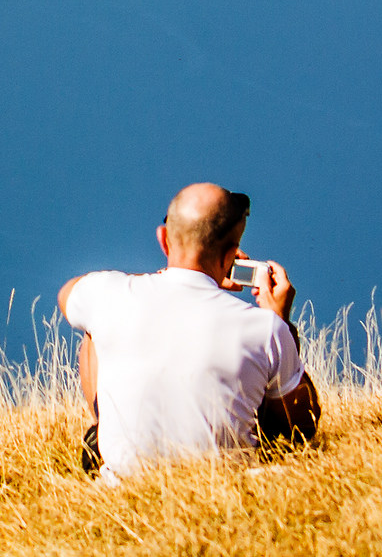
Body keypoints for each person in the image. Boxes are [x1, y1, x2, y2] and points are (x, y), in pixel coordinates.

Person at [56, 183, 319, 480]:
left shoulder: (108, 295)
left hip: (128, 486)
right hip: (227, 486)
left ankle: (104, 436)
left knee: (94, 330)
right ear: (230, 255)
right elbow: (302, 426)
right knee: (269, 375)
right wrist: (281, 319)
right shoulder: (265, 326)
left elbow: (67, 293)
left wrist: (168, 276)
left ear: (163, 239)